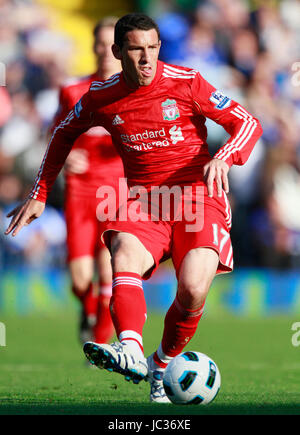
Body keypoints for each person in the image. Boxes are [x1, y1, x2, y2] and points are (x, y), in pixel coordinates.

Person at [5, 13, 262, 403]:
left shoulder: (187, 81)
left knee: (192, 289)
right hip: (146, 202)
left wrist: (224, 157)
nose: (146, 59)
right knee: (122, 254)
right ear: (117, 52)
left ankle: (162, 364)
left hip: (198, 197)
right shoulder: (101, 97)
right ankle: (130, 347)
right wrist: (40, 193)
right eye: (136, 49)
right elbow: (61, 134)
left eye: (152, 48)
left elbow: (247, 123)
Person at [51, 17, 123, 344]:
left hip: (117, 192)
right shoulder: (72, 90)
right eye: (100, 43)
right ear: (92, 47)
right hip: (80, 193)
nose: (105, 51)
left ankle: (100, 340)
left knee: (110, 271)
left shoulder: (134, 91)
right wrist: (66, 157)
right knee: (81, 280)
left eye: (113, 44)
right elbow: (56, 135)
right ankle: (87, 307)